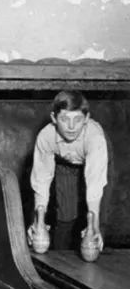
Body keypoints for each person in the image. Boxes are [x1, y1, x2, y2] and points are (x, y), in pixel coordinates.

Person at [28, 90, 108, 251]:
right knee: (65, 214)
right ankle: (59, 256)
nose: (71, 127)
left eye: (77, 119)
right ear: (54, 118)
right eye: (64, 119)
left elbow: (94, 183)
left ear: (86, 118)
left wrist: (94, 225)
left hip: (95, 163)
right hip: (65, 163)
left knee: (96, 216)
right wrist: (38, 221)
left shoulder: (95, 138)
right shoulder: (46, 136)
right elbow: (41, 179)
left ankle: (97, 243)